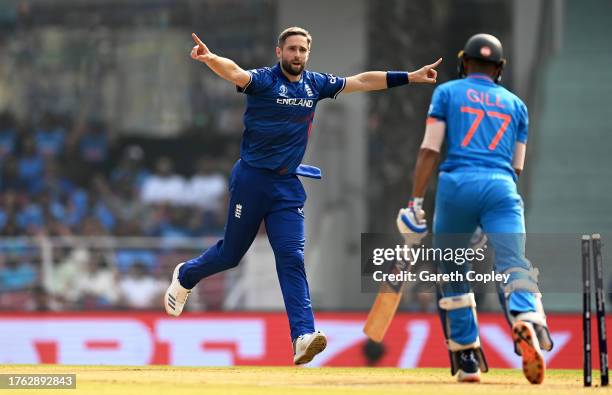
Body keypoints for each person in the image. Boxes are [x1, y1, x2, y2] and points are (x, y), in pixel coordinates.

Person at [165, 26, 441, 365]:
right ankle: (186, 275)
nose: (297, 55)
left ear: (308, 54)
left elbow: (363, 81)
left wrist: (409, 77)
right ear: (279, 52)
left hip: (286, 187)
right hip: (251, 180)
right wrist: (209, 59)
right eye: (291, 49)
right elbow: (233, 71)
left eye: (303, 50)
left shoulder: (316, 84)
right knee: (231, 255)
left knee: (292, 257)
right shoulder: (264, 80)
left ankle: (302, 335)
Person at [397, 34, 553, 384]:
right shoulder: (517, 105)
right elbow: (517, 168)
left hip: (457, 185)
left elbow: (430, 150)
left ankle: (467, 356)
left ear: (464, 62)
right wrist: (489, 216)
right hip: (502, 187)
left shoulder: (447, 93)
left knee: (453, 270)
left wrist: (415, 202)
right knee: (514, 263)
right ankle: (526, 317)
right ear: (499, 69)